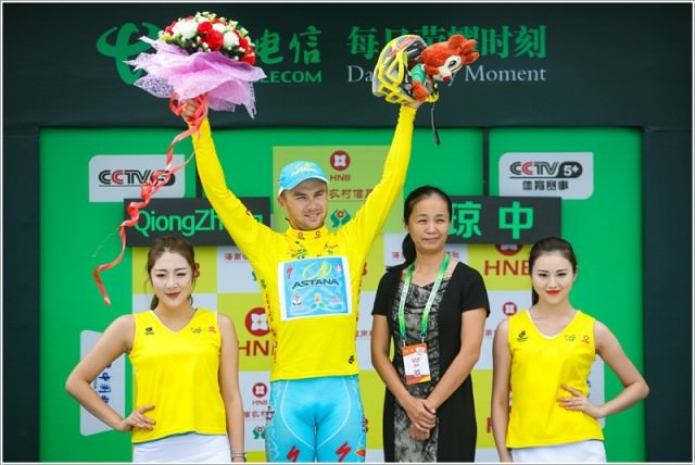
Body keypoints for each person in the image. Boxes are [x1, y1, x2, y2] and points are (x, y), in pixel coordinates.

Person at [180, 98, 423, 462]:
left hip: (342, 390)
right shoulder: (266, 246)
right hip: (288, 392)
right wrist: (199, 126)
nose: (312, 205)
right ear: (283, 201)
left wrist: (408, 113)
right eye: (300, 196)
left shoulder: (350, 241)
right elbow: (219, 195)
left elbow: (391, 182)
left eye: (319, 194)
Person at [66, 236, 246, 463]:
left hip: (211, 449)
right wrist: (119, 422)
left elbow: (231, 397)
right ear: (150, 277)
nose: (171, 284)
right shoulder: (129, 326)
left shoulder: (220, 324)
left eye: (180, 274)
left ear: (195, 272)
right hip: (152, 450)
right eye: (161, 275)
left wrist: (238, 457)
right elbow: (76, 382)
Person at [491, 236, 650, 463]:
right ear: (529, 274)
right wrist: (504, 457)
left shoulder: (593, 329)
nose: (552, 284)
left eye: (561, 274)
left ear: (575, 273)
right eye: (543, 275)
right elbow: (498, 401)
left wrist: (600, 410)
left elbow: (638, 386)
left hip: (583, 447)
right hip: (526, 448)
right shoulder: (508, 329)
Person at [370, 185, 490, 462]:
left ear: (450, 223)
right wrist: (410, 405)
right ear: (407, 225)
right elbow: (378, 353)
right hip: (401, 407)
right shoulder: (390, 282)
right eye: (422, 220)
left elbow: (470, 352)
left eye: (440, 220)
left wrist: (427, 409)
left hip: (451, 407)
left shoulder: (468, 280)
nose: (431, 228)